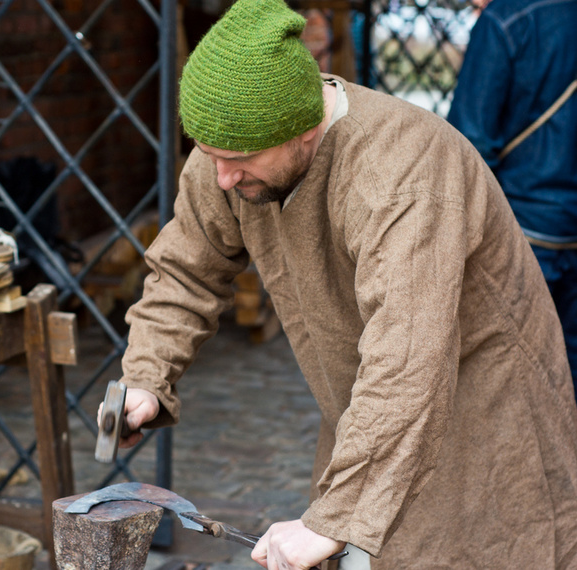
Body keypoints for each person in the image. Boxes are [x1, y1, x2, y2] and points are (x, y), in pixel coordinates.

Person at [101, 0, 577, 567]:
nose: (223, 177)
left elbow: (407, 355)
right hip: (370, 418)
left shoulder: (404, 173)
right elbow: (186, 267)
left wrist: (337, 515)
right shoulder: (231, 152)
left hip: (484, 418)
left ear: (303, 131)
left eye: (239, 160)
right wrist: (148, 375)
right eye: (210, 156)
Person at [447, 0, 577, 400]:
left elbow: (468, 149)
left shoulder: (505, 20)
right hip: (562, 226)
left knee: (509, 387)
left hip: (522, 231)